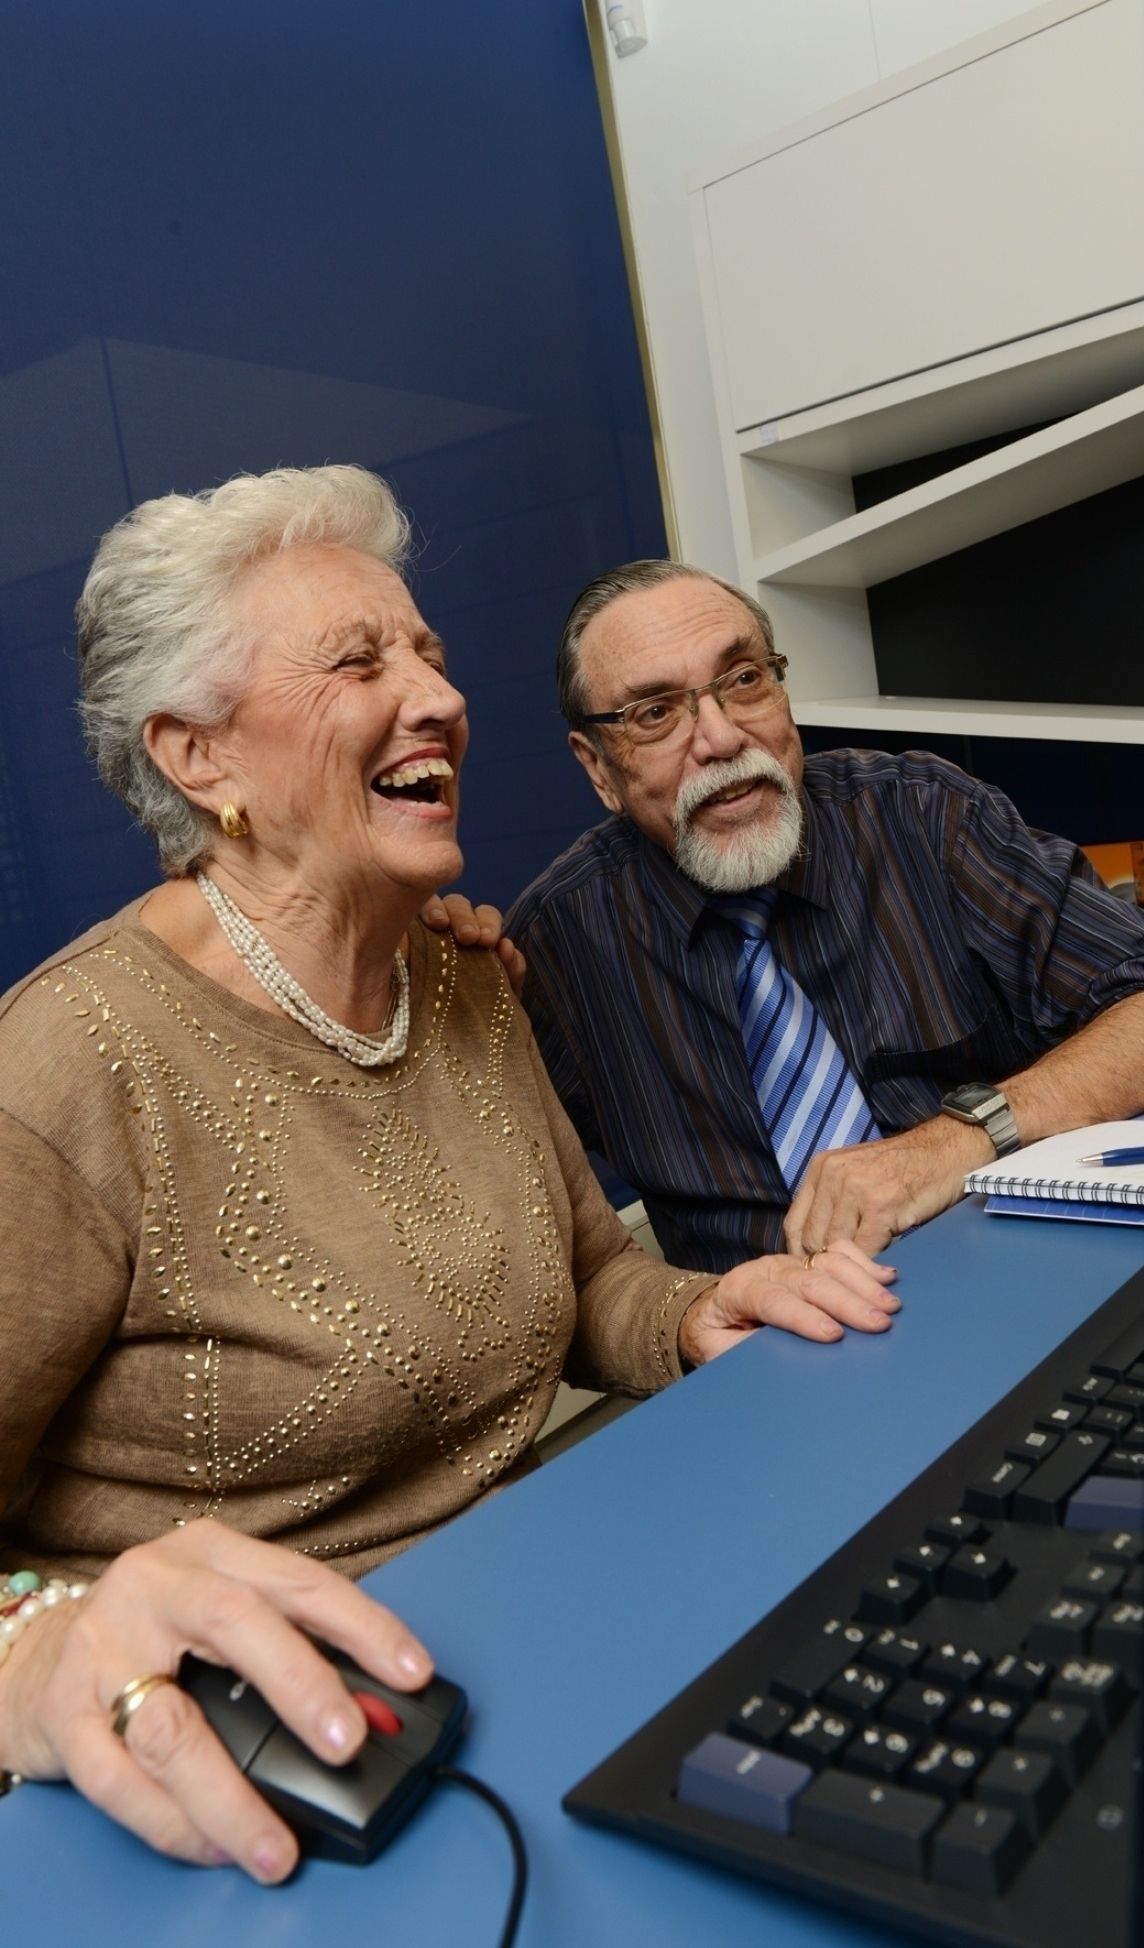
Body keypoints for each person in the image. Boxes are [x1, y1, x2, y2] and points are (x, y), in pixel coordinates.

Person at [0, 473, 901, 1879]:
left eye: (425, 650)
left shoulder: (460, 976)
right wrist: (38, 1653)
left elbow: (590, 1266)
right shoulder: (64, 1070)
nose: (436, 697)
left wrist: (690, 1314)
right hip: (286, 1784)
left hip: (555, 1649)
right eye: (361, 661)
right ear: (199, 757)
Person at [498, 559, 1144, 1275]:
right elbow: (507, 1217)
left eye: (744, 679)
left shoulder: (924, 816)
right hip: (781, 1357)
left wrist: (959, 1139)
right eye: (654, 713)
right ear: (599, 769)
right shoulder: (559, 946)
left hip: (1031, 1271)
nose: (721, 738)